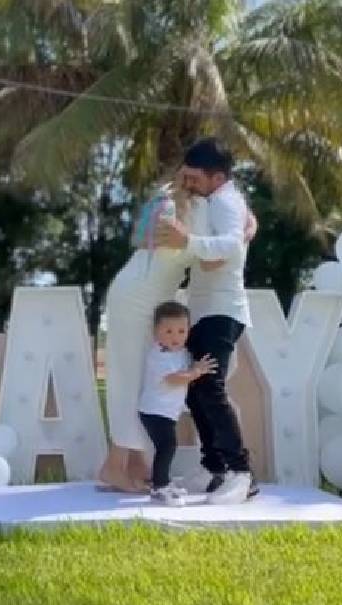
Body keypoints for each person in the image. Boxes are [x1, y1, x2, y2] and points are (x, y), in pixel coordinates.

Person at [97, 165, 258, 494]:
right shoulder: (194, 210)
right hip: (139, 298)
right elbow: (213, 260)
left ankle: (137, 463)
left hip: (145, 294)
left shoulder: (171, 203)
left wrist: (242, 227)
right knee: (130, 378)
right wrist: (242, 235)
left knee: (142, 376)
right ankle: (114, 466)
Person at [155, 137, 256, 505]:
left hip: (221, 310)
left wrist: (188, 241)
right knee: (196, 389)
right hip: (202, 309)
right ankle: (214, 467)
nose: (187, 184)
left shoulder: (228, 201)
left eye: (193, 178)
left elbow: (230, 246)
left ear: (216, 177)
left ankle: (240, 473)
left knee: (210, 388)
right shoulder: (214, 199)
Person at [137, 301, 218, 506]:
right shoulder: (158, 356)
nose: (175, 337)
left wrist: (195, 366)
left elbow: (185, 365)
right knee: (167, 446)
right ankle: (159, 486)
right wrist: (196, 371)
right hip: (154, 411)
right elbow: (174, 378)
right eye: (168, 331)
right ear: (156, 331)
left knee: (167, 446)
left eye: (181, 331)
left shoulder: (180, 351)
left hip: (166, 411)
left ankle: (162, 482)